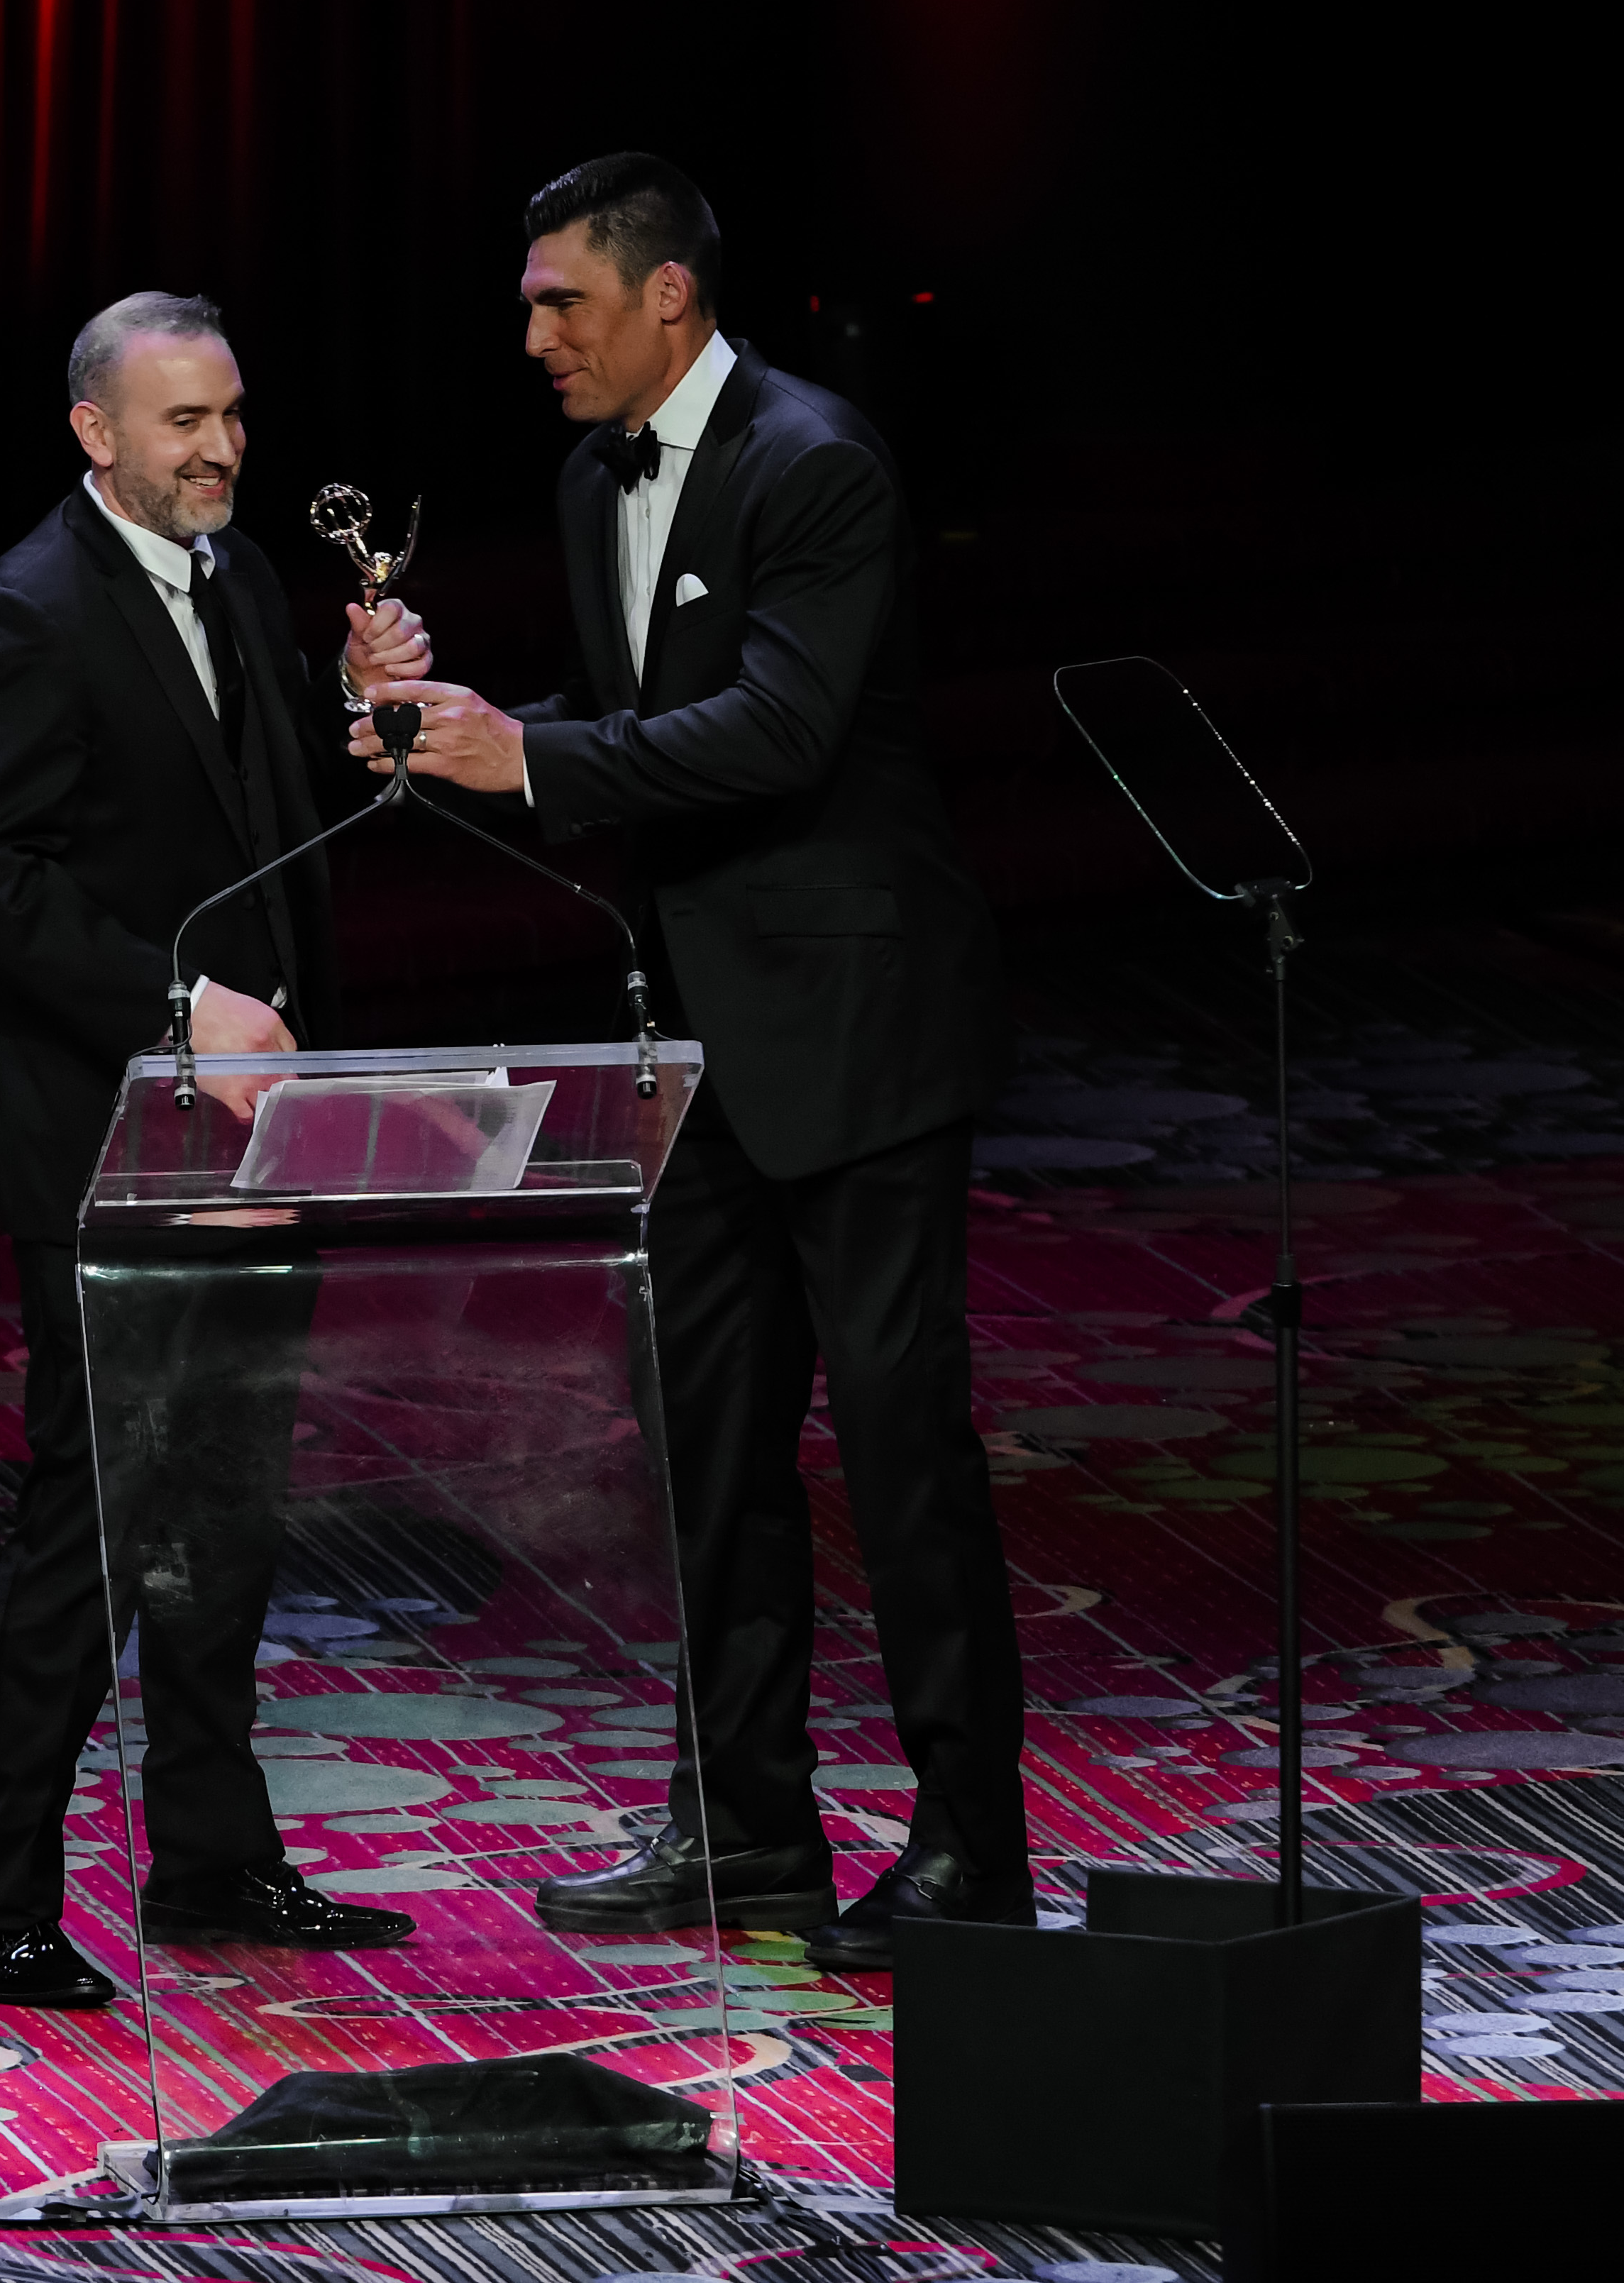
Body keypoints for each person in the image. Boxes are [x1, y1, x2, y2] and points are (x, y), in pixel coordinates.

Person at [352, 155, 1029, 1972]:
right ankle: (742, 1830)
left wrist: (532, 758)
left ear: (666, 295)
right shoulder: (596, 478)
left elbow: (783, 731)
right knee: (709, 1454)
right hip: (702, 1045)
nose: (534, 339)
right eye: (527, 306)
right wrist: (456, 733)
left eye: (560, 302)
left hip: (861, 1041)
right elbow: (643, 731)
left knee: (902, 1455)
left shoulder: (815, 461)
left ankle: (974, 1849)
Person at [0, 289, 433, 2008]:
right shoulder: (28, 610)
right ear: (96, 432)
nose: (220, 449)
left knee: (228, 1508)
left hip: (263, 1132)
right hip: (110, 1144)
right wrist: (174, 1007)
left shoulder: (238, 577)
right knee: (95, 1517)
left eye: (231, 416)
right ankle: (2, 1904)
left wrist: (352, 707)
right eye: (182, 423)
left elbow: (247, 800)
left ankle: (211, 1859)